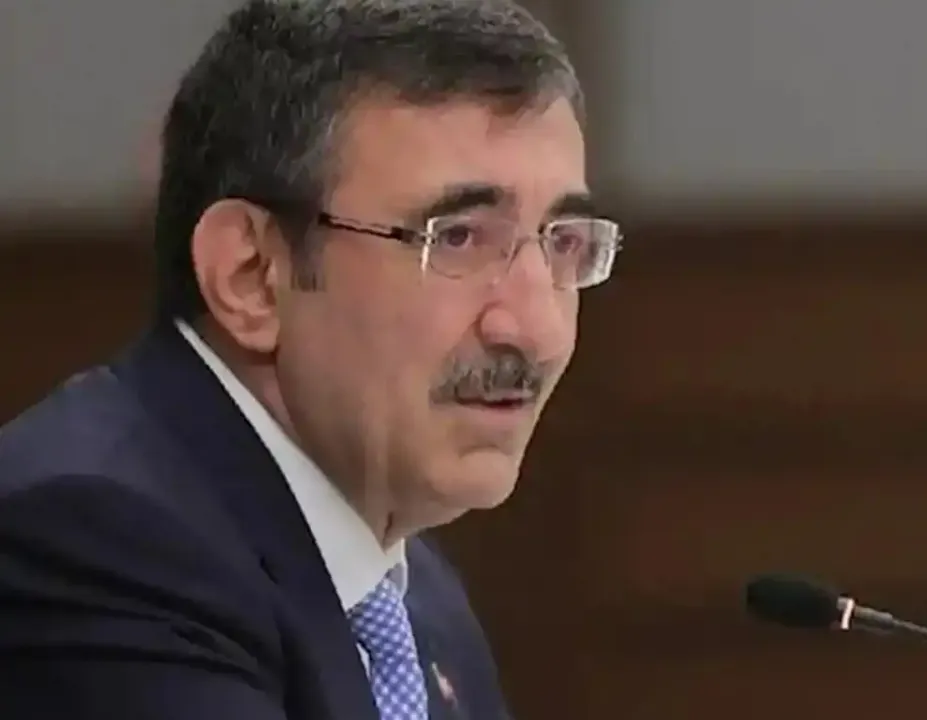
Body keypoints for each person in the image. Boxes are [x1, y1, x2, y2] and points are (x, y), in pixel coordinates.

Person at [0, 0, 621, 718]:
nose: (538, 330)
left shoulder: (418, 599)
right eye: (458, 238)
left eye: (563, 242)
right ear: (253, 276)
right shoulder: (97, 544)